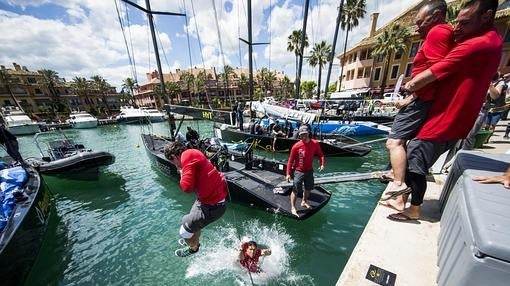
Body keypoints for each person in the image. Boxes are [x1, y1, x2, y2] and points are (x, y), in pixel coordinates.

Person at [388, 0, 503, 222]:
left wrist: (411, 86)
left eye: (464, 23)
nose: (457, 28)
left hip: (449, 116)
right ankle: (406, 198)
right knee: (414, 153)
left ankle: (413, 208)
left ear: (487, 16)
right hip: (454, 114)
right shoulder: (491, 40)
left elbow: (436, 70)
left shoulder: (477, 44)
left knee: (416, 156)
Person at [381, 0, 454, 205]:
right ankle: (400, 189)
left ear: (436, 16)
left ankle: (398, 187)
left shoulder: (438, 33)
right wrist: (410, 97)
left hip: (422, 98)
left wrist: (412, 85)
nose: (417, 26)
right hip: (421, 98)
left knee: (394, 142)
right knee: (404, 145)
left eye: (421, 22)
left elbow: (438, 69)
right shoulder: (443, 33)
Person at [164, 142, 227, 257]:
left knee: (183, 231)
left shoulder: (186, 157)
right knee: (192, 226)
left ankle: (193, 247)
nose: (175, 165)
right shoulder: (193, 152)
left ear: (173, 157)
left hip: (212, 206)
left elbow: (186, 187)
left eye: (173, 163)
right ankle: (193, 238)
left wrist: (182, 172)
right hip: (205, 201)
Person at [286, 125, 325, 217]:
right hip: (299, 171)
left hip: (309, 171)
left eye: (305, 134)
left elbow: (321, 155)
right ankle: (293, 207)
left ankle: (304, 201)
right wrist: (288, 174)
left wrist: (322, 164)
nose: (304, 136)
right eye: (301, 135)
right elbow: (290, 161)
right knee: (295, 190)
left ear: (308, 133)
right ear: (299, 135)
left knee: (308, 188)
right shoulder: (296, 146)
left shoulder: (315, 143)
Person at [463, 72, 508, 149]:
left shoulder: (500, 82)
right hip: (469, 108)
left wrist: (490, 84)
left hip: (482, 110)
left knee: (469, 135)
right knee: (460, 134)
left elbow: (495, 96)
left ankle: (464, 152)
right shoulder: (479, 77)